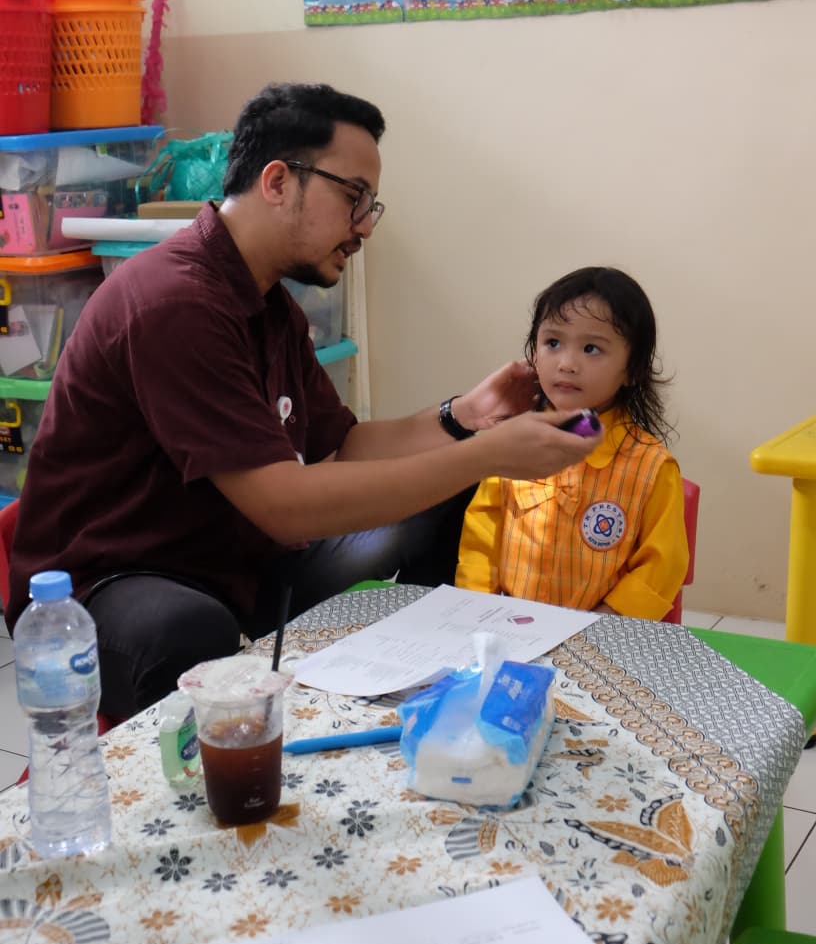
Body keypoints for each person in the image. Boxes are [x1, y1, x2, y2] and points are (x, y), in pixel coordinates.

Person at [5, 83, 601, 718]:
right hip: (112, 582)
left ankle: (427, 691)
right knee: (188, 630)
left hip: (233, 558)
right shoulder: (173, 303)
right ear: (277, 181)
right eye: (353, 197)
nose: (364, 226)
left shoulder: (269, 306)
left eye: (371, 206)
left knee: (444, 494)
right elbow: (284, 508)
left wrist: (466, 417)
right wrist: (487, 453)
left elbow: (342, 445)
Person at [455, 267, 689, 619]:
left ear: (633, 369)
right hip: (507, 626)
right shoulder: (510, 443)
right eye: (552, 343)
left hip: (603, 635)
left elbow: (663, 565)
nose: (566, 364)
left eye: (591, 349)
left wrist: (603, 623)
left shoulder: (652, 467)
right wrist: (480, 610)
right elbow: (480, 537)